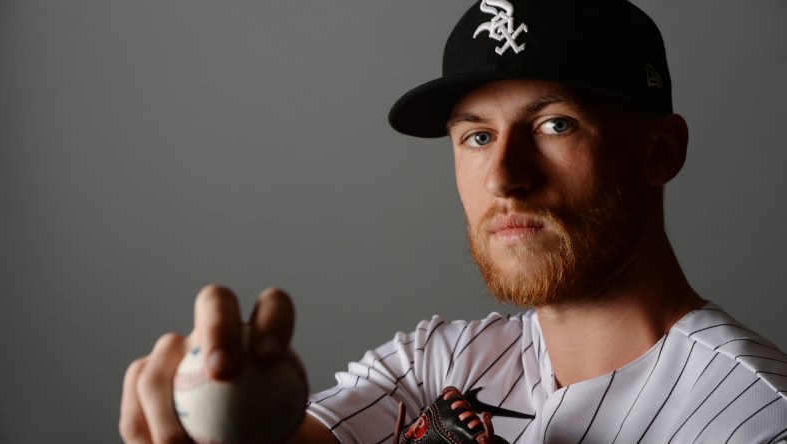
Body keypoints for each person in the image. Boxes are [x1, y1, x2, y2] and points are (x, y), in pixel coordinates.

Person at [119, 0, 787, 442]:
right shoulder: (436, 362)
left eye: (555, 125)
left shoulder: (755, 418)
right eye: (475, 137)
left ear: (661, 150)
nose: (504, 176)